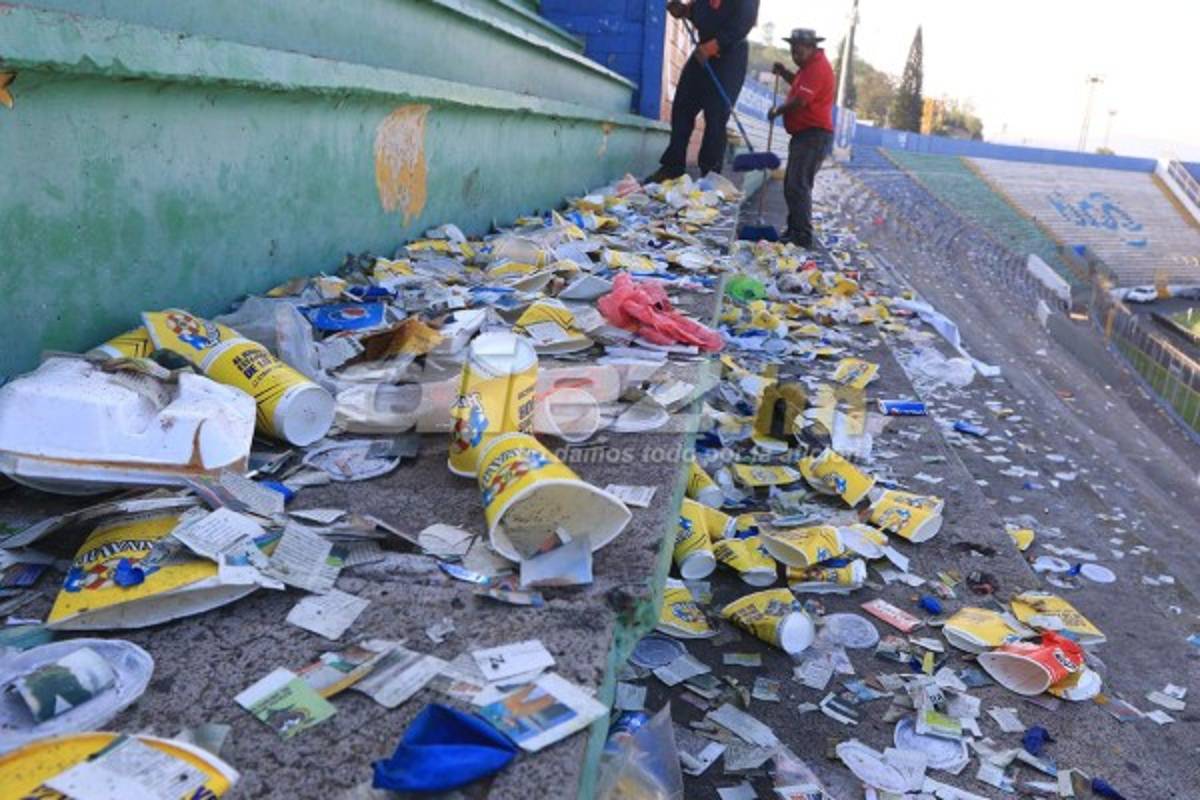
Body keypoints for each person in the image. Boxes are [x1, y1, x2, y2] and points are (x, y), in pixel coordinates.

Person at [645, 0, 760, 184]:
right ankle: (672, 167)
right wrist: (684, 11)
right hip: (702, 53)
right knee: (683, 105)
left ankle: (710, 175)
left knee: (715, 115)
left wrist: (714, 45)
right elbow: (700, 13)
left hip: (729, 58)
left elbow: (743, 23)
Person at [768, 28, 834, 249]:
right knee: (793, 184)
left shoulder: (817, 68)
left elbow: (801, 101)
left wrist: (778, 110)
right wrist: (785, 72)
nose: (795, 56)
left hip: (813, 134)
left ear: (811, 48)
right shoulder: (808, 67)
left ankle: (802, 236)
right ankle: (795, 230)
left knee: (798, 185)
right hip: (805, 134)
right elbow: (798, 83)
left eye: (799, 52)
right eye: (792, 52)